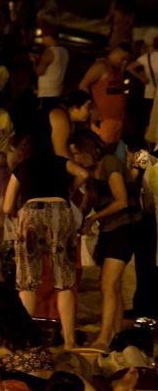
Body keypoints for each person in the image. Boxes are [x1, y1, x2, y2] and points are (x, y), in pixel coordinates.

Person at [2, 137, 89, 349]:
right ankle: (69, 340)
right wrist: (69, 191)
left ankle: (24, 339)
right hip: (61, 212)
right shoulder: (60, 162)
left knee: (28, 281)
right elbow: (83, 174)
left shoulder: (22, 167)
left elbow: (6, 207)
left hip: (31, 213)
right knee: (64, 281)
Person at [70, 131, 139, 350]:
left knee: (108, 285)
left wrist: (93, 218)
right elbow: (91, 200)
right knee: (112, 285)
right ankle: (116, 332)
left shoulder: (109, 163)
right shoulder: (92, 172)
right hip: (110, 230)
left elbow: (121, 201)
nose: (77, 159)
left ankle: (104, 337)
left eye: (78, 153)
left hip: (125, 228)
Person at [79, 42, 131, 147]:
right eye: (123, 58)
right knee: (102, 149)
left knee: (112, 150)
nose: (124, 62)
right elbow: (83, 85)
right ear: (116, 53)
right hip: (104, 118)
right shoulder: (101, 65)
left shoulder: (117, 69)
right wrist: (92, 108)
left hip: (117, 119)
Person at [34, 23, 69, 100]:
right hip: (58, 91)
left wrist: (33, 61)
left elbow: (39, 72)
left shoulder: (49, 52)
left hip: (46, 93)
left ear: (49, 37)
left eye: (43, 37)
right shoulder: (64, 51)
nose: (42, 40)